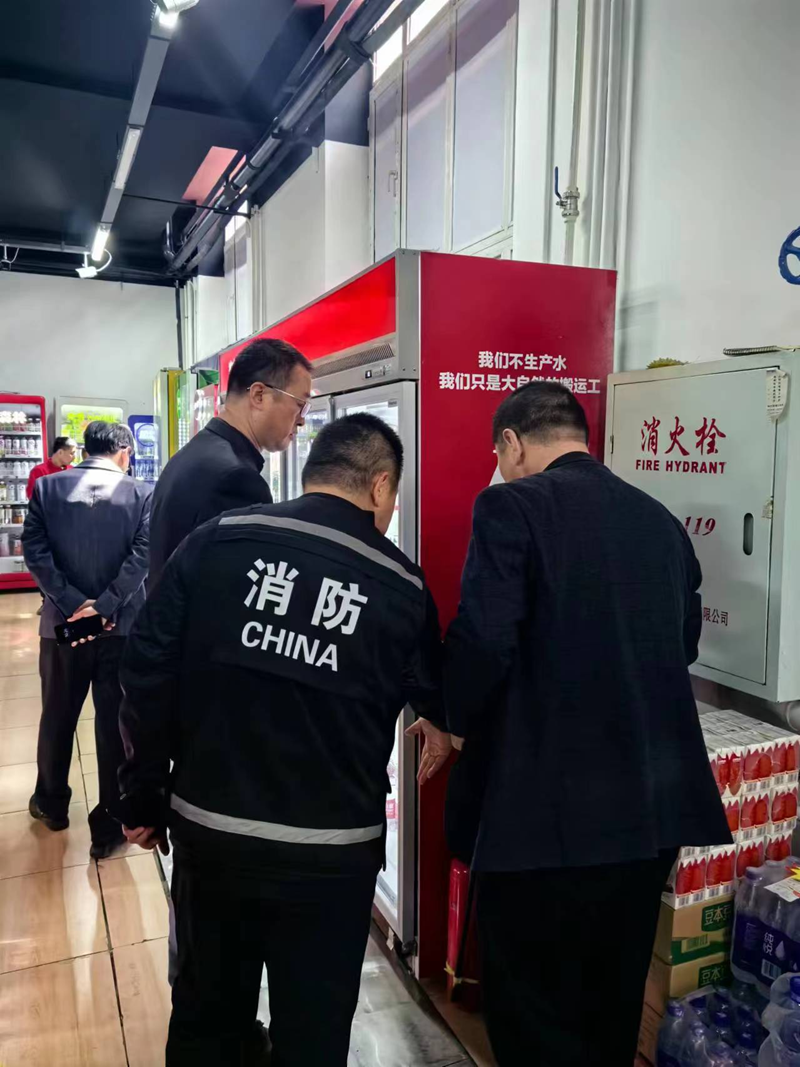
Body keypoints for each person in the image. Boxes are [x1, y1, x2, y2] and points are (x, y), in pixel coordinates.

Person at [117, 414, 452, 1067]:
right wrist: (440, 719)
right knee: (314, 1030)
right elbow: (432, 688)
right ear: (381, 486)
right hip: (332, 852)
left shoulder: (219, 540)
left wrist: (144, 794)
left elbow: (146, 667)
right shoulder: (402, 584)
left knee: (207, 1017)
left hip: (213, 832)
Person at [443, 382, 731, 1067]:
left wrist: (454, 720)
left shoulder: (509, 505)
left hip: (543, 815)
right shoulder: (659, 521)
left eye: (499, 454)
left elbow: (483, 642)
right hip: (647, 816)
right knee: (611, 998)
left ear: (512, 442)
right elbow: (683, 644)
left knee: (532, 1006)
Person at [22, 421, 151, 859]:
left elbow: (34, 552)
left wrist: (73, 604)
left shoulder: (48, 488)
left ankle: (52, 804)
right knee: (115, 724)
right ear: (123, 451)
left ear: (85, 450)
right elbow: (142, 556)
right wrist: (106, 606)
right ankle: (109, 826)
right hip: (122, 626)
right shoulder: (142, 493)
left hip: (64, 626)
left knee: (58, 715)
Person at [148, 337, 313, 588]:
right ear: (259, 395)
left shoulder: (196, 452)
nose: (302, 420)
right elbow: (240, 590)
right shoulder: (236, 479)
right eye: (300, 405)